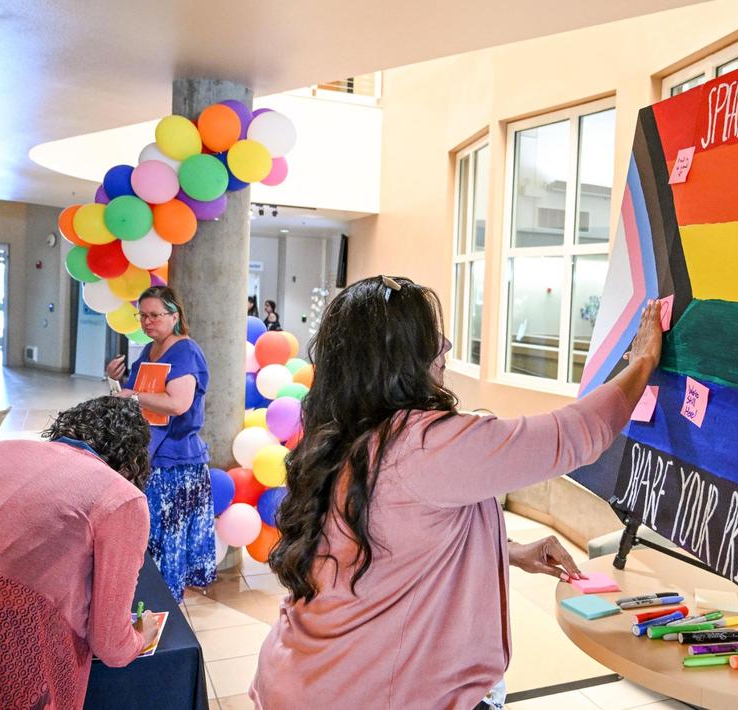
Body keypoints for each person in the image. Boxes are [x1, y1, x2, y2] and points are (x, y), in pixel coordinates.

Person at [250, 275, 662, 709]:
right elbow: (574, 435)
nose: (445, 347)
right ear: (398, 357)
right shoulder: (424, 442)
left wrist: (506, 550)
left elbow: (387, 535)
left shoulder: (347, 430)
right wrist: (643, 362)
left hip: (304, 675)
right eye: (431, 337)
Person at [0, 397, 159, 708]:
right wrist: (141, 635)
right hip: (5, 648)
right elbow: (110, 644)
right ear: (132, 461)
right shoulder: (122, 497)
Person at [107, 285, 216, 602]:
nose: (147, 321)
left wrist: (133, 395)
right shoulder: (149, 351)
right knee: (151, 533)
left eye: (154, 315)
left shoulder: (186, 351)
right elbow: (134, 397)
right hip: (149, 454)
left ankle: (164, 600)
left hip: (176, 461)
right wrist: (116, 379)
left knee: (167, 534)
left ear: (174, 315)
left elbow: (178, 403)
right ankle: (153, 596)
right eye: (142, 315)